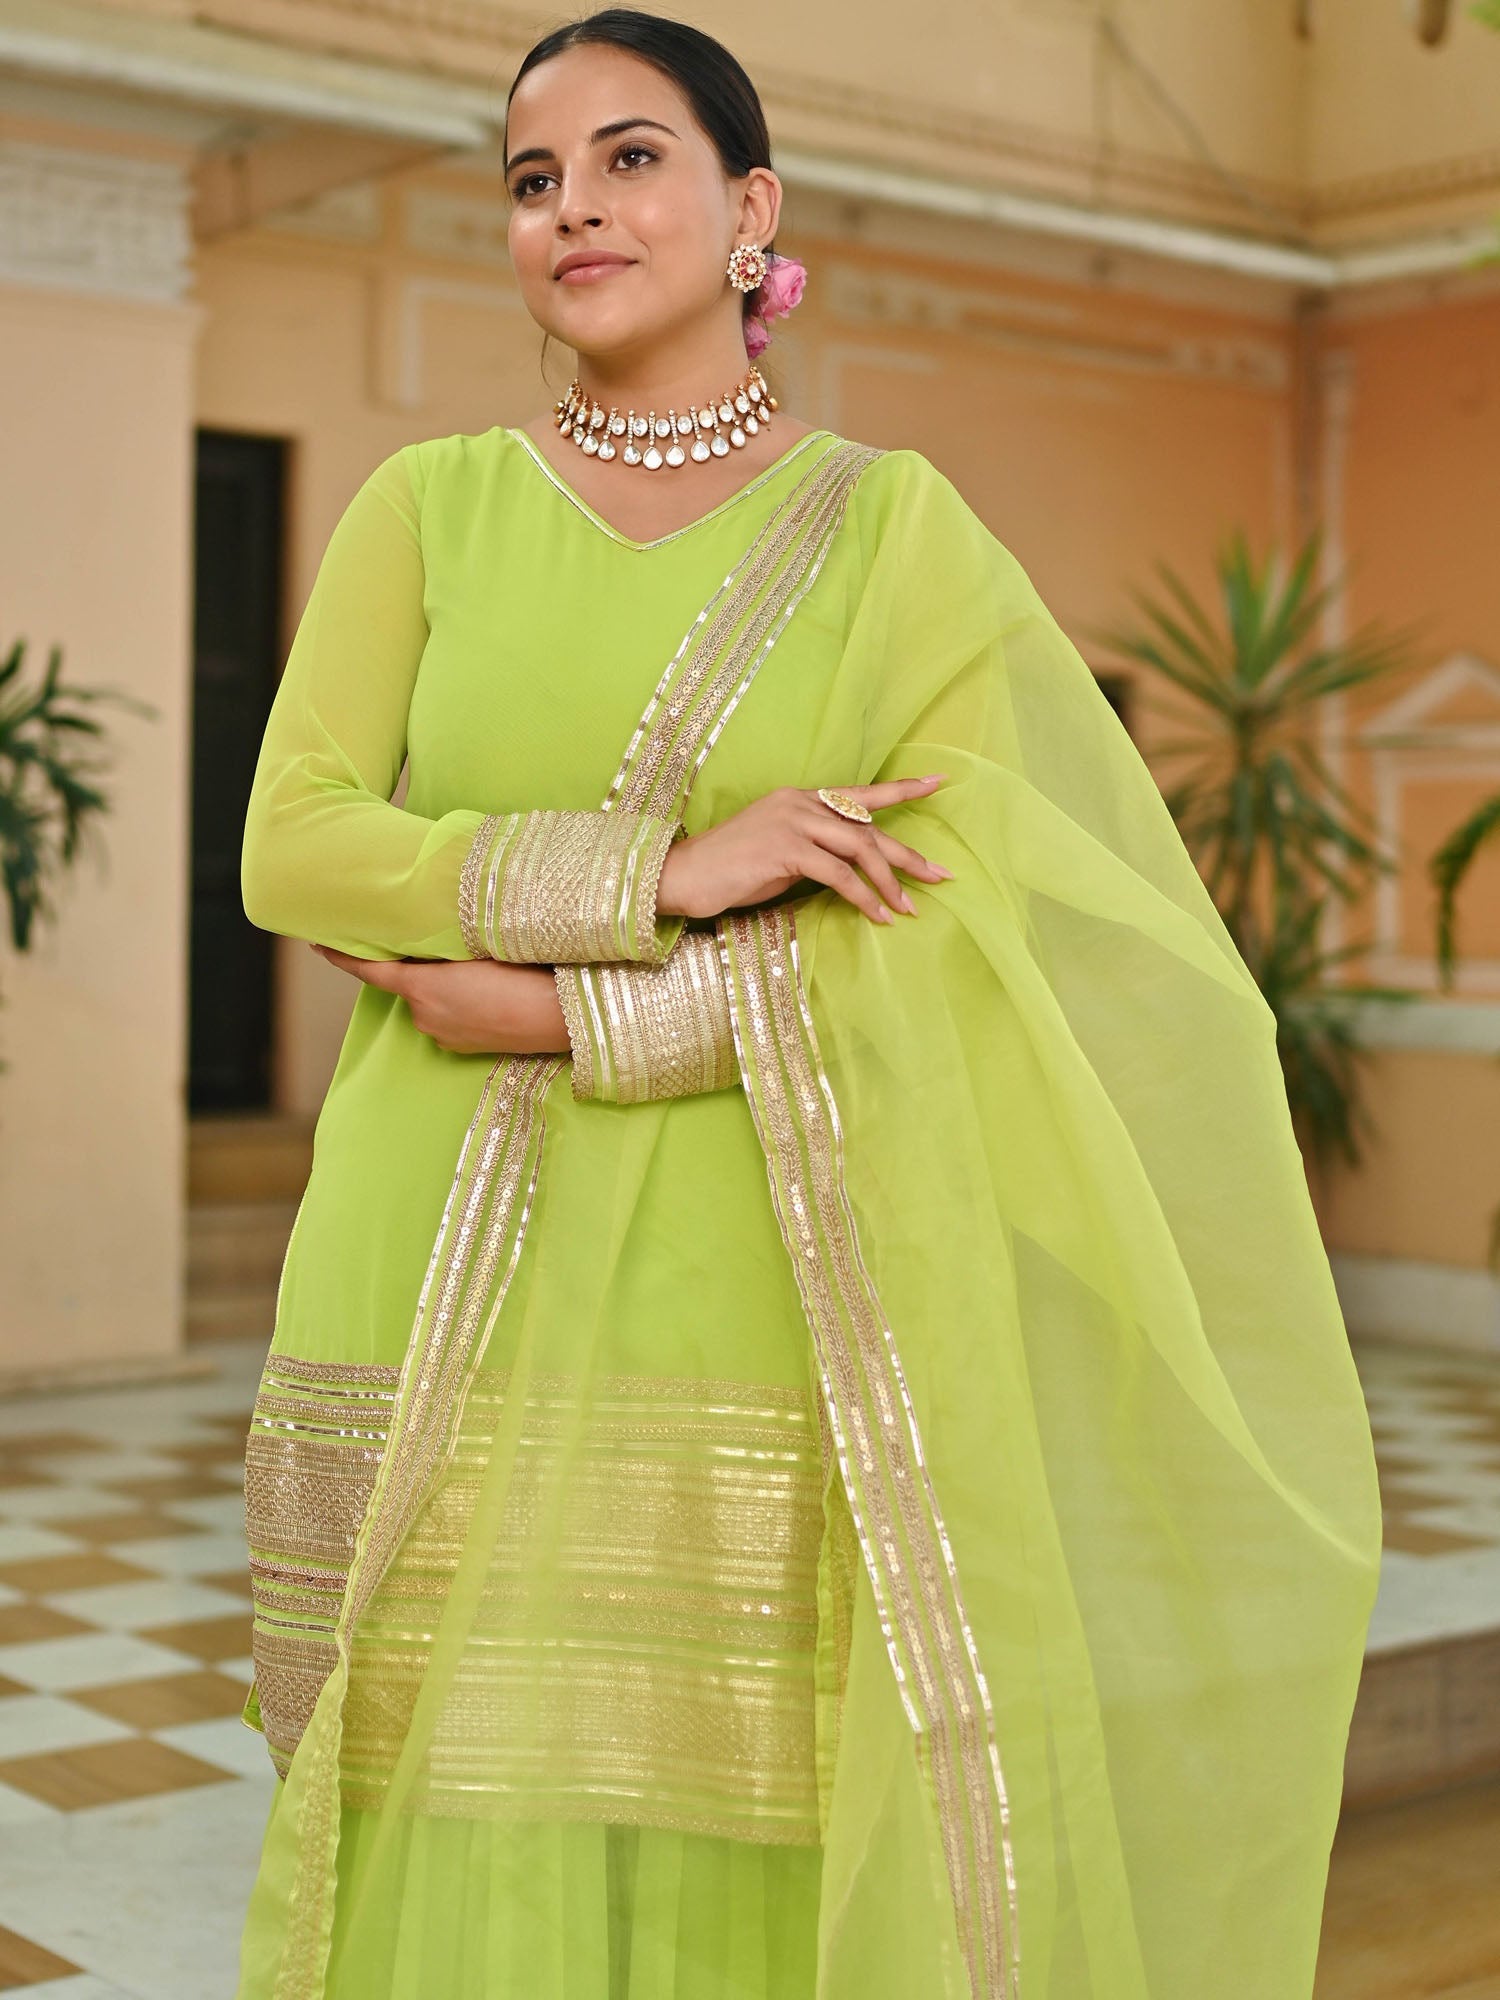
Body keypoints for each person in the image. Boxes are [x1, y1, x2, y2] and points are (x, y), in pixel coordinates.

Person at [232, 11, 1382, 1997]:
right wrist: (658, 873)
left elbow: (959, 927)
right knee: (455, 1805)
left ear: (751, 207)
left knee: (731, 1803)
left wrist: (561, 1015)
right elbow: (295, 841)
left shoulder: (894, 533)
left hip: (756, 1260)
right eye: (533, 178)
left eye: (632, 158)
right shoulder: (430, 506)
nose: (576, 208)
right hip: (429, 1247)